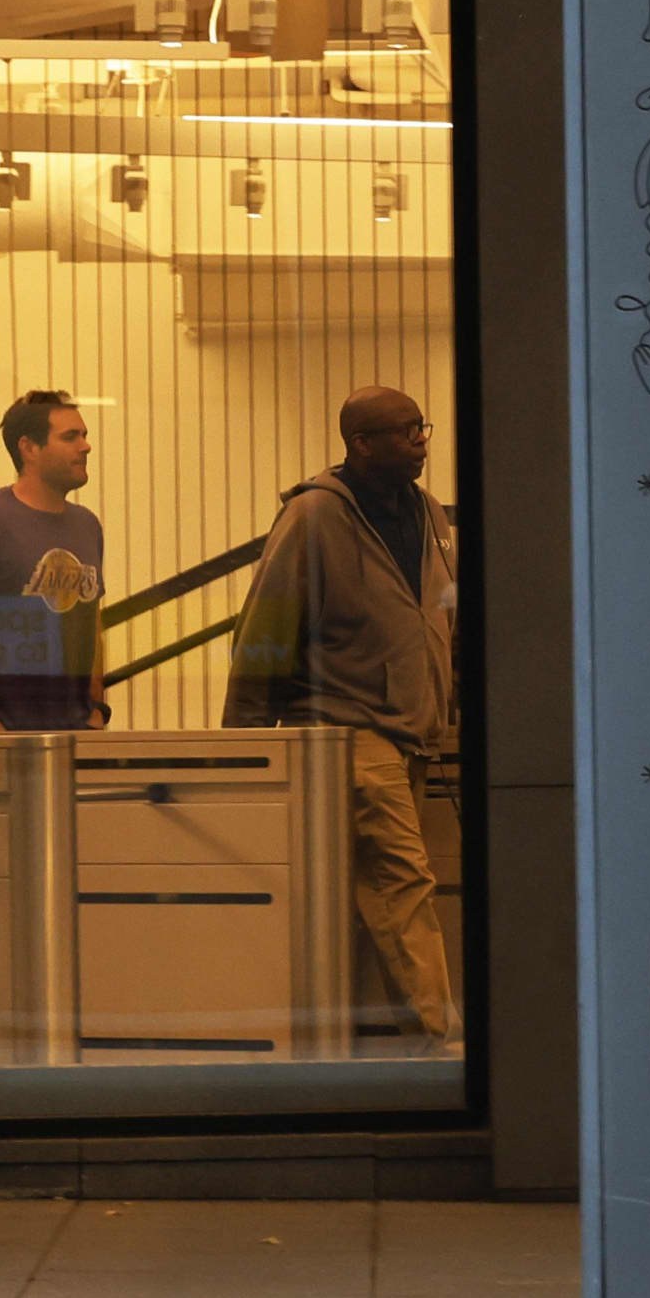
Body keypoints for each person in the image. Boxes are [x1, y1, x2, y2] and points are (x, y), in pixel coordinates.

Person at [224, 386, 462, 1052]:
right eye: (405, 431)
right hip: (346, 729)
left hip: (412, 731)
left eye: (423, 428)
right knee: (402, 878)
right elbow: (266, 628)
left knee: (373, 899)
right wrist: (241, 747)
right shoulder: (315, 517)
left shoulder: (426, 514)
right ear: (360, 443)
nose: (421, 440)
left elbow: (445, 616)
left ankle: (379, 1041)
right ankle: (441, 1041)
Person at [0, 390, 109, 734]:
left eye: (85, 435)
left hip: (75, 735)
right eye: (70, 437)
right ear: (29, 448)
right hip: (3, 738)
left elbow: (90, 623)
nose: (85, 446)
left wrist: (95, 710)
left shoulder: (87, 525)